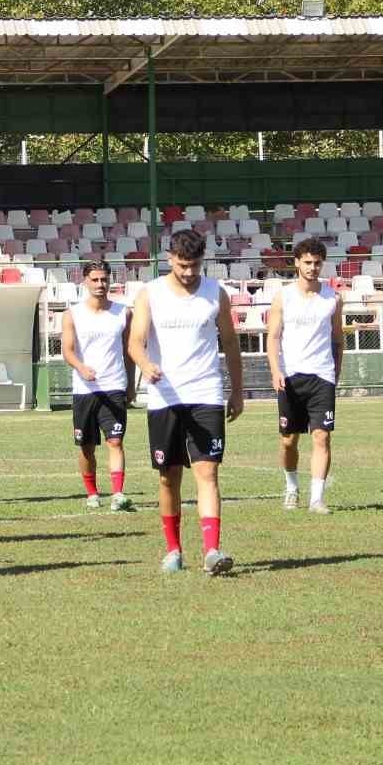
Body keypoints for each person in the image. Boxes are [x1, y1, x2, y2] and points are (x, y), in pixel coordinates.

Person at [127, 228, 244, 574]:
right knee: (169, 476)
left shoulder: (215, 293)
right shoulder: (150, 294)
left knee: (208, 472)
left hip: (205, 393)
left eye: (194, 265)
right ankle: (173, 549)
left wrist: (237, 391)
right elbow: (135, 342)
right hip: (165, 397)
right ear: (170, 259)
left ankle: (212, 551)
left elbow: (231, 342)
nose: (189, 272)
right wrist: (145, 364)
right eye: (182, 265)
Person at [267, 237, 343, 514]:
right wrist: (275, 369)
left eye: (317, 263)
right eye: (308, 262)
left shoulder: (333, 298)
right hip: (290, 375)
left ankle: (316, 499)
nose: (312, 267)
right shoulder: (283, 296)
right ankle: (291, 487)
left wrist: (336, 371)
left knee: (322, 436)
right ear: (297, 262)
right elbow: (273, 337)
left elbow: (338, 339)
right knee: (289, 440)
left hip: (322, 375)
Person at [62, 258, 135, 511]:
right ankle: (92, 493)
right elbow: (67, 350)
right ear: (85, 281)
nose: (100, 284)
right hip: (85, 390)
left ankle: (118, 494)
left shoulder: (123, 313)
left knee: (115, 441)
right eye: (95, 279)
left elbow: (129, 352)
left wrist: (130, 384)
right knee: (86, 447)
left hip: (114, 386)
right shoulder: (72, 314)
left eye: (104, 279)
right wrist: (81, 368)